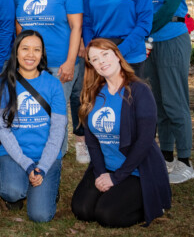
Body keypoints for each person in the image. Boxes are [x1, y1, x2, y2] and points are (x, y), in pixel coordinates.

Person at [71, 39, 171, 228]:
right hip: (106, 167)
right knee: (82, 210)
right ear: (91, 65)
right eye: (94, 59)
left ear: (117, 56)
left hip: (136, 170)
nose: (101, 61)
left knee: (107, 215)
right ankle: (113, 192)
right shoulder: (93, 93)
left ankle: (152, 201)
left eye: (105, 54)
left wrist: (116, 177)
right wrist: (101, 173)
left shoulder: (140, 91)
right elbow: (92, 142)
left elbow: (145, 141)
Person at [13, 0, 82, 157]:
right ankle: (32, 156)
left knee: (56, 116)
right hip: (30, 66)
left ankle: (54, 162)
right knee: (34, 115)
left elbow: (76, 27)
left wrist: (70, 62)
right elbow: (19, 25)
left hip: (58, 64)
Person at [141, 0, 194, 184]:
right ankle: (166, 157)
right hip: (151, 42)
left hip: (172, 37)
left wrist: (144, 30)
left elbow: (171, 6)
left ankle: (185, 160)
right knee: (159, 103)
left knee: (176, 102)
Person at [0, 30, 66, 222]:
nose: (30, 55)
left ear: (42, 54)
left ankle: (46, 185)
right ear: (16, 52)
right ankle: (22, 185)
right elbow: (2, 130)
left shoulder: (53, 84)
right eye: (25, 49)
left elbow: (58, 131)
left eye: (36, 50)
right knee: (11, 192)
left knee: (40, 215)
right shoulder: (3, 83)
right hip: (15, 154)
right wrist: (27, 164)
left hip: (45, 155)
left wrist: (41, 167)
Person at [45, 0, 97, 165]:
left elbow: (91, 0)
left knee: (80, 93)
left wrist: (86, 41)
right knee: (57, 94)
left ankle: (81, 141)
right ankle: (54, 141)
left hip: (79, 35)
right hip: (54, 37)